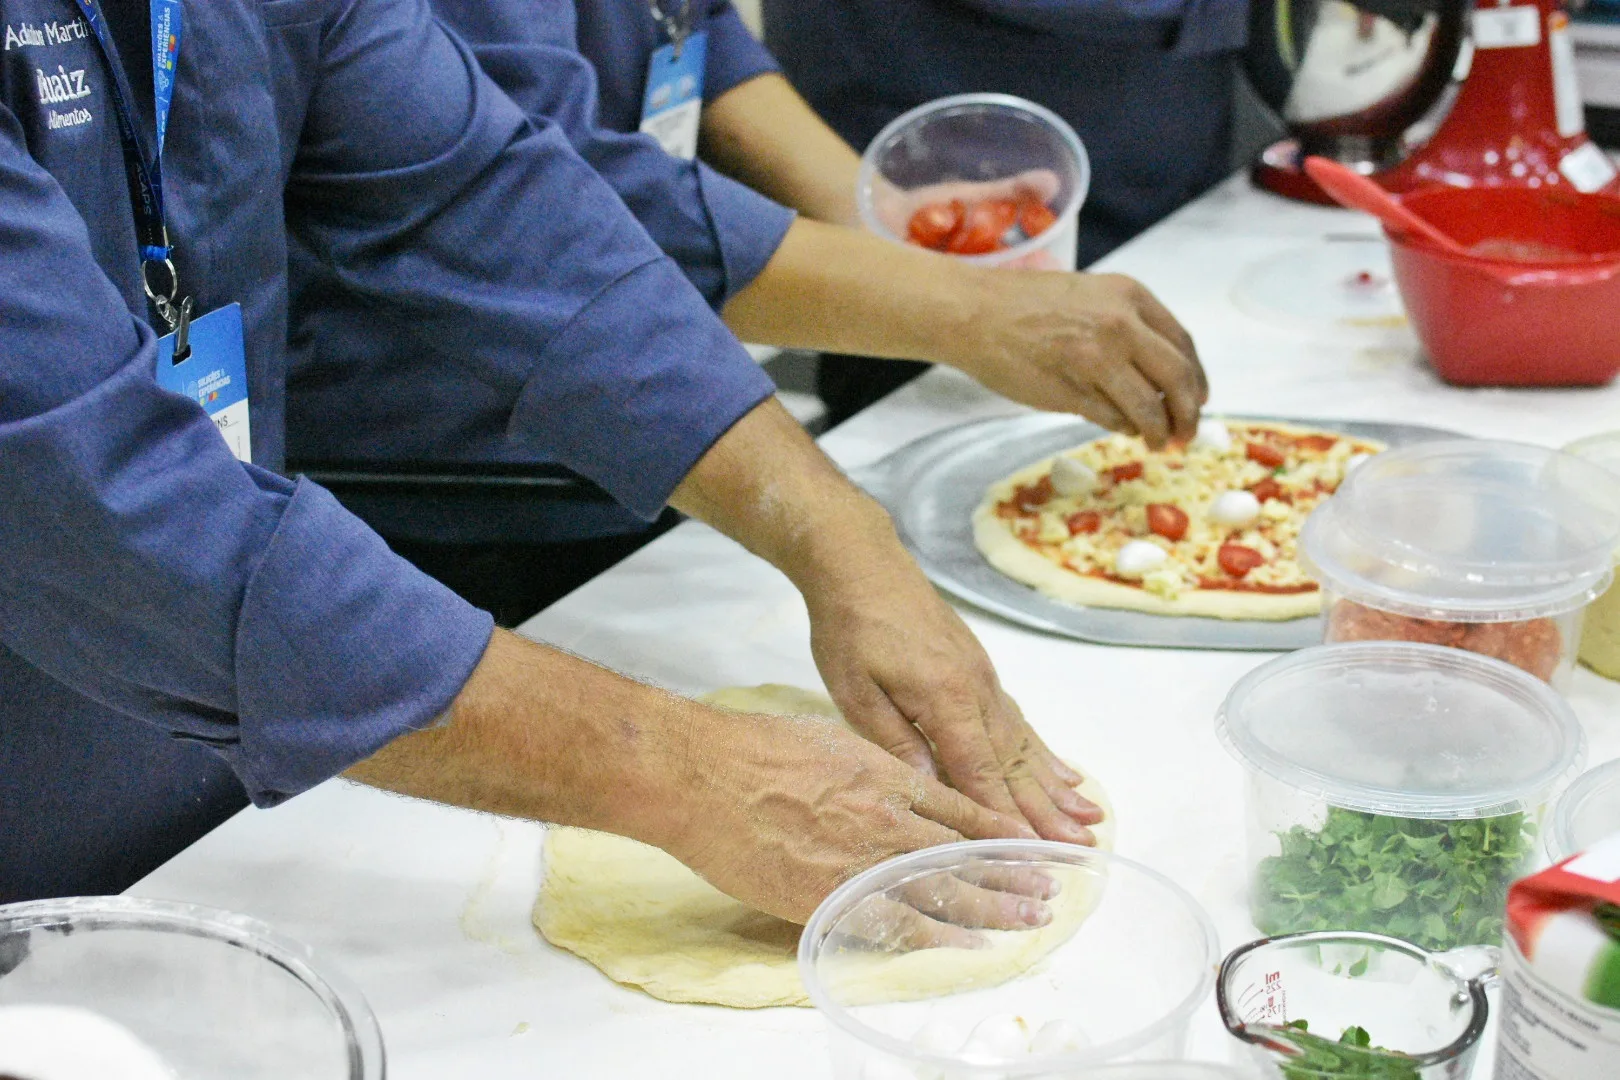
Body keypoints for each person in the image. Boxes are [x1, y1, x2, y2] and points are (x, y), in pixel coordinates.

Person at [0, 0, 1094, 914]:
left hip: (213, 778)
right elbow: (97, 500)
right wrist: (684, 770)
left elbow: (488, 205)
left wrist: (834, 529)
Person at [285, 0, 1207, 611]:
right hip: (456, 471)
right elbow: (545, 205)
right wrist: (958, 305)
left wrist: (877, 218)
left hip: (634, 425)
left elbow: (696, 34)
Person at [759, 0, 1246, 420]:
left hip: (1162, 137)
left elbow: (709, 34)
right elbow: (691, 234)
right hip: (918, 72)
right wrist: (956, 304)